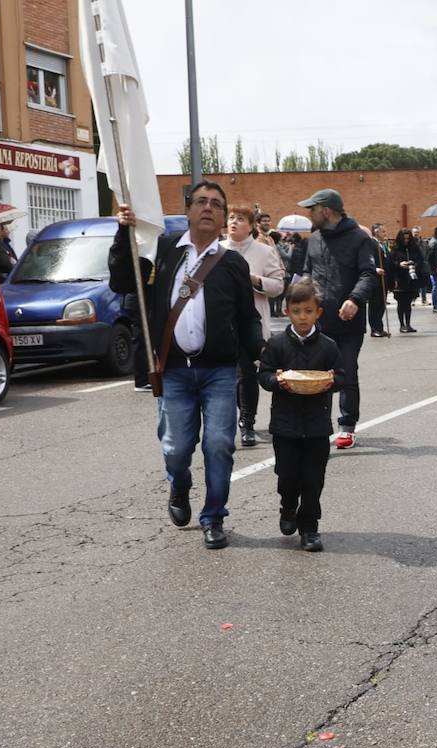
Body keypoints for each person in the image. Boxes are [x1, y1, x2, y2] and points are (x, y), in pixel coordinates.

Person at [108, 180, 262, 549]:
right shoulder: (162, 251)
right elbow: (122, 280)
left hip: (220, 372)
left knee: (219, 444)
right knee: (176, 447)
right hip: (173, 371)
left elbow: (247, 317)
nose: (208, 208)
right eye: (201, 202)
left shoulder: (233, 263)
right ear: (189, 209)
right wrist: (122, 232)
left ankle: (213, 517)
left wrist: (258, 356)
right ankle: (179, 486)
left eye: (216, 204)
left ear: (224, 217)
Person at [257, 279, 342, 552]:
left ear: (318, 312)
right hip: (285, 425)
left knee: (314, 478)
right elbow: (264, 374)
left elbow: (342, 376)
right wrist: (276, 379)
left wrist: (332, 380)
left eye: (308, 311)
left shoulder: (328, 346)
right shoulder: (277, 344)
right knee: (287, 475)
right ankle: (287, 506)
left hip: (317, 425)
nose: (302, 317)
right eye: (297, 311)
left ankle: (310, 528)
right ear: (287, 312)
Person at [298, 188, 379, 450]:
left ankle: (347, 426)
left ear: (326, 210)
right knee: (318, 375)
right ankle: (319, 426)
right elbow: (307, 272)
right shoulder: (313, 239)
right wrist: (300, 300)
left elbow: (368, 274)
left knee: (345, 371)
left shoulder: (359, 239)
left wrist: (354, 299)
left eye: (312, 209)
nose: (309, 214)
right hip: (319, 320)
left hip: (348, 321)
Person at [223, 204, 286, 446]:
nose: (234, 222)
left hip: (251, 322)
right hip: (222, 323)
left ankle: (247, 422)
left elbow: (278, 286)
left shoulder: (263, 251)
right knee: (231, 376)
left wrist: (254, 280)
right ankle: (237, 417)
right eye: (230, 218)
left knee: (247, 373)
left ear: (250, 225)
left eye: (240, 218)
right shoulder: (216, 250)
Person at [388, 227, 425, 333]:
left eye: (408, 238)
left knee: (408, 303)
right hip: (400, 279)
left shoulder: (414, 248)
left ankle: (408, 324)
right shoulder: (395, 249)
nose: (406, 241)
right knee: (401, 303)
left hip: (411, 278)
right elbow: (391, 263)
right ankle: (402, 324)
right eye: (404, 239)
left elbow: (420, 260)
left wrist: (414, 265)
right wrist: (399, 264)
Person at [367, 223, 391, 337]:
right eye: (383, 232)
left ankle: (379, 327)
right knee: (375, 304)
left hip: (384, 278)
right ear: (376, 231)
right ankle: (374, 328)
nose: (385, 234)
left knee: (382, 304)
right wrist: (375, 269)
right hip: (375, 278)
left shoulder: (383, 245)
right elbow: (368, 259)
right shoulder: (371, 243)